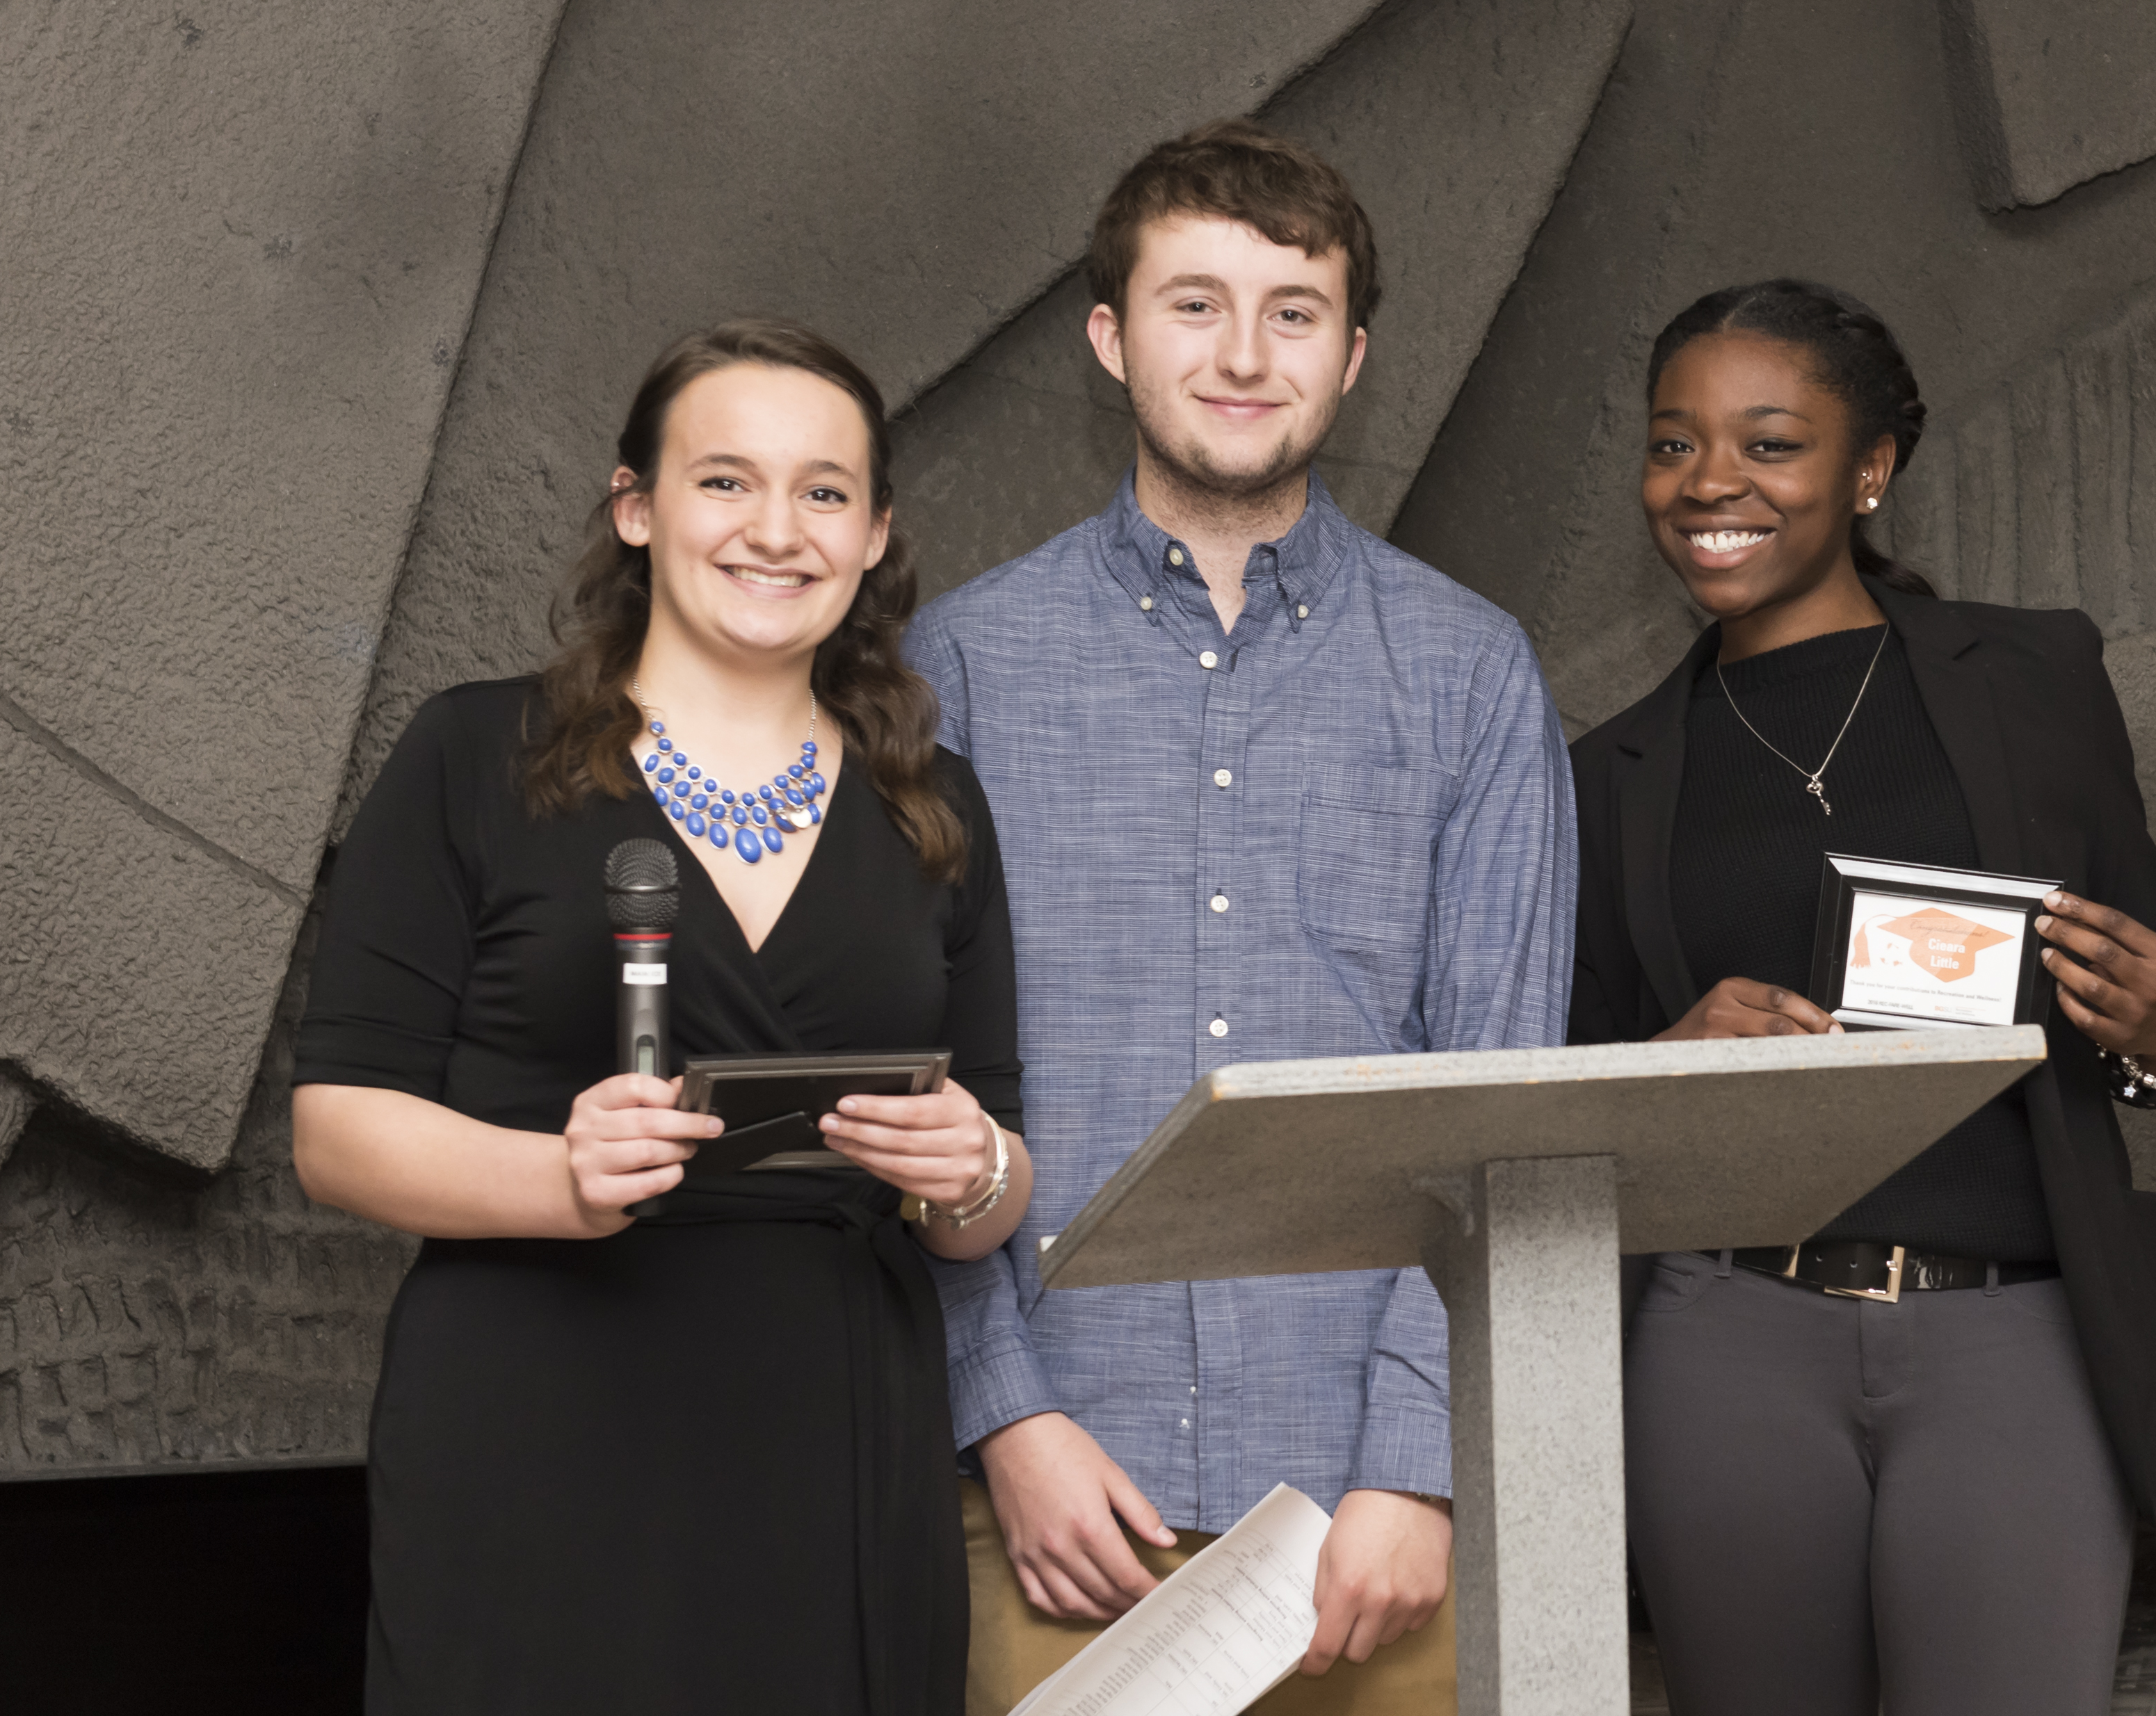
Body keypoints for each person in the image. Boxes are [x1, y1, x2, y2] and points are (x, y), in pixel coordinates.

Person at [904, 118, 1575, 1716]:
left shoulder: (1473, 674)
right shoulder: (958, 667)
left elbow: (1505, 1101)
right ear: (1110, 337)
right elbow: (909, 1089)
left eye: (1294, 310)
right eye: (1194, 303)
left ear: (1352, 357)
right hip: (1057, 1507)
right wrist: (1006, 1416)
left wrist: (1418, 1463)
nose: (1244, 354)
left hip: (1376, 1527)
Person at [291, 318, 1033, 1716]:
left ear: (874, 534)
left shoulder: (938, 805)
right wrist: (557, 1179)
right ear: (636, 507)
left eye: (824, 490)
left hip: (839, 1437)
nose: (777, 529)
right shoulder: (473, 754)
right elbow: (334, 1131)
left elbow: (988, 1178)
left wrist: (975, 1169)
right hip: (536, 1423)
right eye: (725, 480)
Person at [1569, 280, 2156, 1716]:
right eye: (1674, 444)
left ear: (1870, 469)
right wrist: (1668, 1056)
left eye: (1768, 444)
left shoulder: (2036, 677)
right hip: (1726, 1339)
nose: (1709, 484)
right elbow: (1566, 1110)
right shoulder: (1608, 775)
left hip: (2017, 1334)